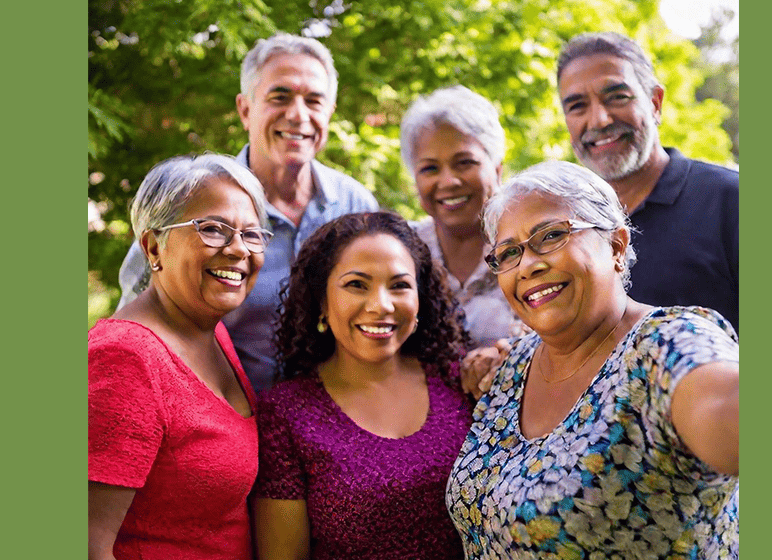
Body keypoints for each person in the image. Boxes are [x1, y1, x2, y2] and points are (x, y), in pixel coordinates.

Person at [446, 161, 739, 559]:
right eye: (509, 253)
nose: (528, 264)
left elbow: (722, 407)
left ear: (616, 246)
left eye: (551, 236)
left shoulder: (666, 344)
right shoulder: (514, 365)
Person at [117, 32, 378, 392]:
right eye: (280, 96)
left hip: (332, 421)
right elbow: (134, 323)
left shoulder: (356, 206)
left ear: (329, 113)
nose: (298, 115)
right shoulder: (193, 198)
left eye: (314, 101)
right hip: (222, 418)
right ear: (245, 109)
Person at [254, 212, 472, 560]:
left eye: (400, 285)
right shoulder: (286, 414)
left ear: (420, 299)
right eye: (357, 284)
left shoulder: (460, 381)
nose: (381, 305)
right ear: (321, 301)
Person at [88, 154, 271, 560]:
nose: (238, 249)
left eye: (252, 233)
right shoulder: (125, 358)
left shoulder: (212, 332)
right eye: (213, 229)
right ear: (154, 246)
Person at [556, 31, 738, 332]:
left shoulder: (732, 200)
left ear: (655, 102)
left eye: (617, 97)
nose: (599, 120)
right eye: (577, 106)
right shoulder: (567, 225)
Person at [400, 85, 524, 353]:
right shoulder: (399, 252)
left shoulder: (531, 250)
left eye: (464, 162)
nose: (448, 181)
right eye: (429, 168)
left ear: (497, 170)